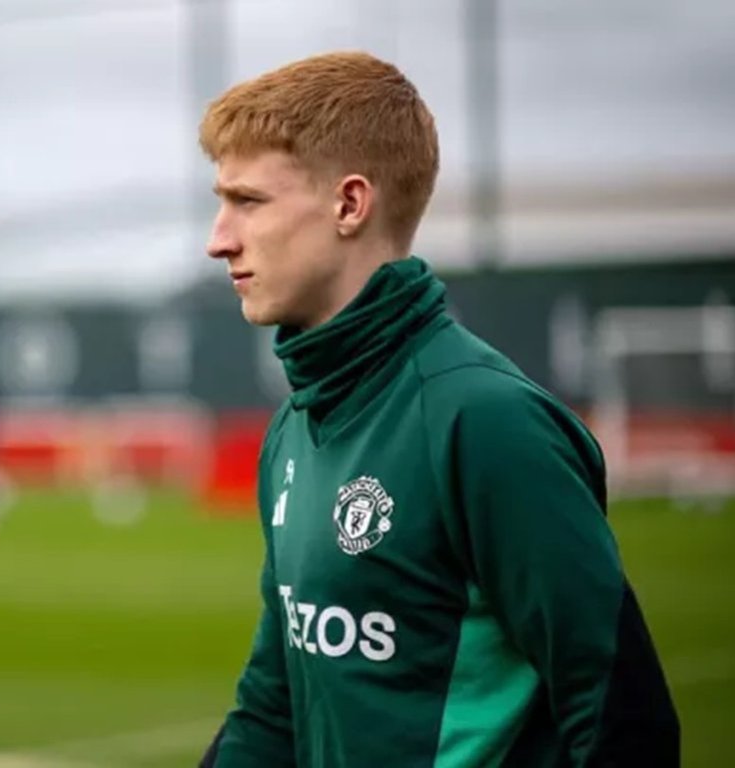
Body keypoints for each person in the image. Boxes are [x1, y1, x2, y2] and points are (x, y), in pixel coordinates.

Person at [196, 52, 678, 767]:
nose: (218, 238)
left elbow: (624, 720)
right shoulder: (295, 427)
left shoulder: (486, 423)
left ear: (349, 205)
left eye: (249, 201)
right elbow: (274, 710)